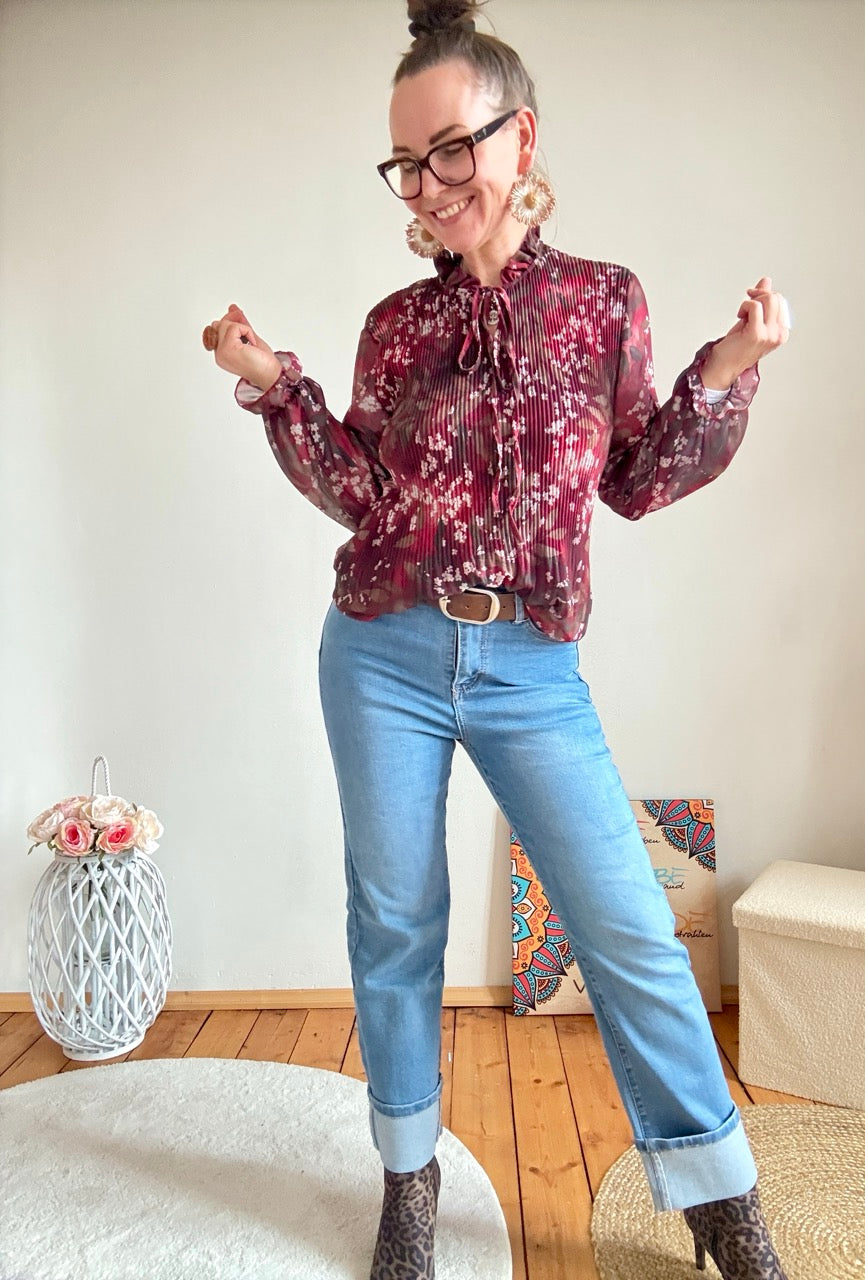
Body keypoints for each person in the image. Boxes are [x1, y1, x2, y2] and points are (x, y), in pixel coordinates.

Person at [203, 2, 790, 1276]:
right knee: (395, 918)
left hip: (530, 665)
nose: (429, 184)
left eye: (451, 149)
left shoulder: (602, 302)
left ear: (521, 138)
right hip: (381, 651)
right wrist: (277, 384)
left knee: (627, 924)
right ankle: (408, 1181)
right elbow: (364, 491)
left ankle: (721, 1203)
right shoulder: (396, 325)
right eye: (408, 163)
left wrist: (730, 364)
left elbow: (636, 475)